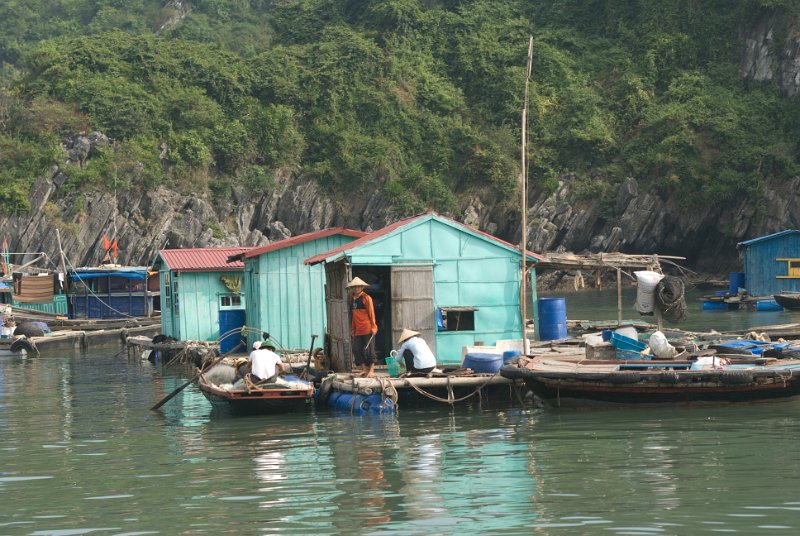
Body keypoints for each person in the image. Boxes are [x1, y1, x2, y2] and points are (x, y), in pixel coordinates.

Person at [348, 276, 377, 377]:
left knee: (370, 350)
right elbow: (353, 316)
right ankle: (364, 369)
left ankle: (371, 370)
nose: (356, 289)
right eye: (354, 287)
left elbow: (371, 313)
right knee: (356, 349)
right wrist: (353, 328)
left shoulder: (366, 298)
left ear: (362, 287)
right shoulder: (352, 299)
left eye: (358, 287)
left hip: (367, 328)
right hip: (358, 330)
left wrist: (374, 327)